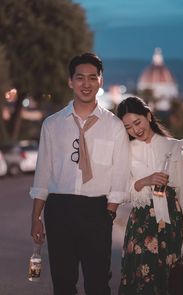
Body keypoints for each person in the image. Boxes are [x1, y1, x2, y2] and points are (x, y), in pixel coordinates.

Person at [30, 52, 130, 295]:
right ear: (70, 82)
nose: (86, 84)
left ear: (101, 81)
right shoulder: (52, 125)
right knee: (63, 284)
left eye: (92, 78)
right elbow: (43, 172)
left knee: (97, 284)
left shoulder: (114, 126)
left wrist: (109, 213)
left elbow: (120, 175)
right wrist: (36, 217)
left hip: (97, 211)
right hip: (59, 209)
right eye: (80, 78)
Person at [116, 96, 183, 295]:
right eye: (128, 127)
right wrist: (145, 181)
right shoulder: (126, 151)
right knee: (140, 280)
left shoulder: (173, 147)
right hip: (141, 224)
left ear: (148, 115)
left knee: (171, 281)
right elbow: (122, 192)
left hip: (172, 223)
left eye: (137, 122)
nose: (135, 130)